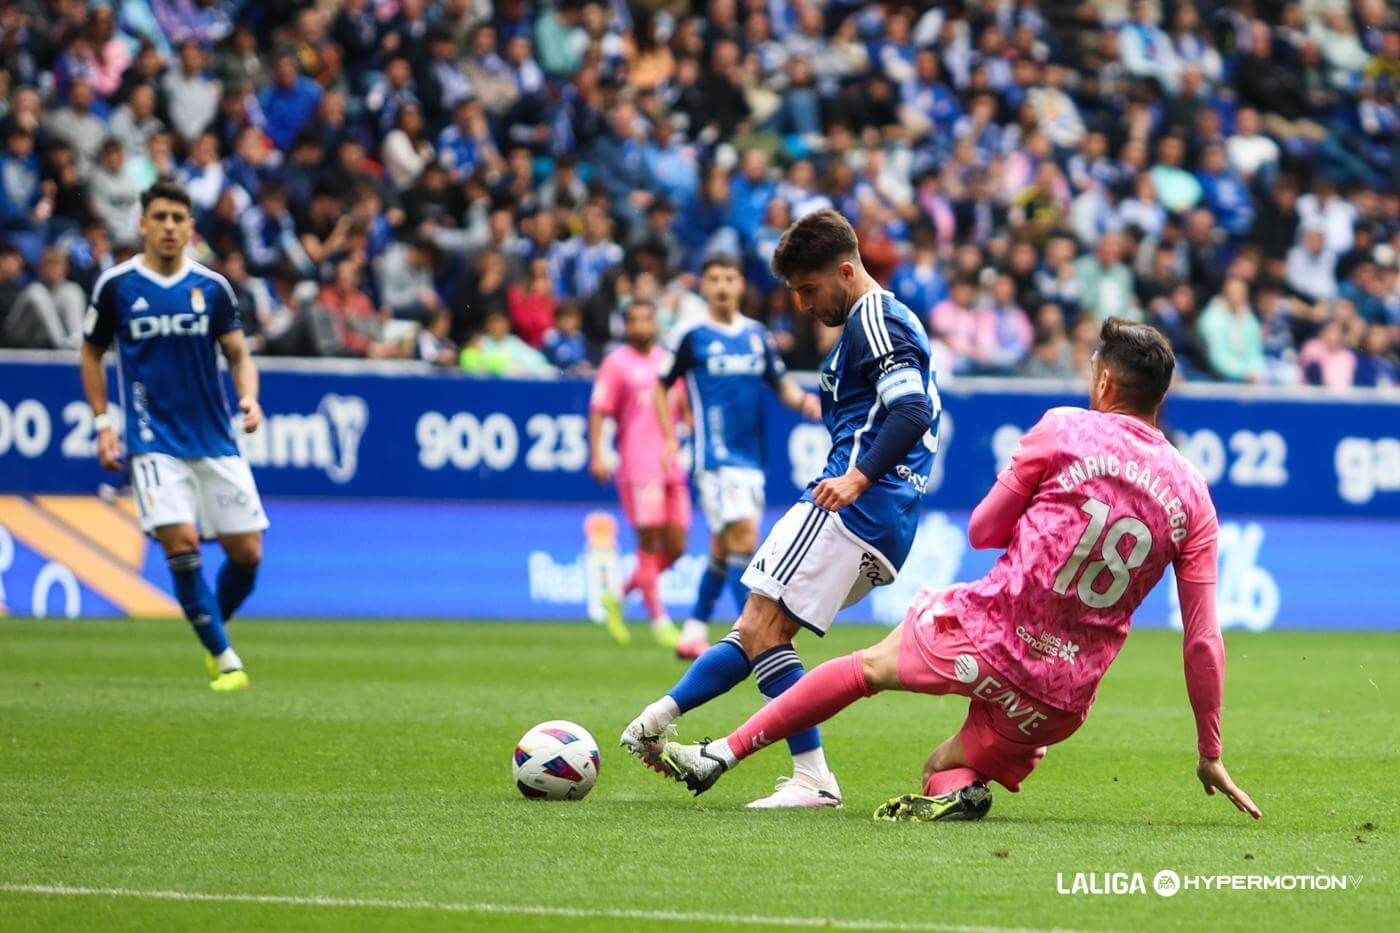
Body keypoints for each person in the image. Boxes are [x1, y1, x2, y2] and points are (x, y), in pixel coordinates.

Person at [655, 319, 1261, 827]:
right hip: (1058, 694)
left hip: (987, 633)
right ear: (1160, 394)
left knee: (865, 668)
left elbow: (982, 532)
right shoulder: (1194, 495)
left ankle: (724, 752)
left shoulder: (1065, 428)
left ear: (1103, 380)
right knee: (942, 766)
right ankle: (959, 784)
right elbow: (1203, 638)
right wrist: (1209, 750)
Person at [623, 211, 938, 809]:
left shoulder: (874, 317)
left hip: (854, 503)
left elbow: (911, 412)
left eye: (810, 288)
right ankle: (657, 722)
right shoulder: (879, 320)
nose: (801, 303)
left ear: (847, 271)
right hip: (884, 516)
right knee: (761, 628)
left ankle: (812, 778)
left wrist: (856, 478)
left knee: (763, 627)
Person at [78, 180, 267, 691]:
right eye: (158, 217)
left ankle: (211, 625)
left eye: (177, 218)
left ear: (190, 227)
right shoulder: (117, 286)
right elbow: (91, 353)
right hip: (151, 439)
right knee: (181, 542)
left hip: (213, 438)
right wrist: (102, 423)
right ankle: (224, 658)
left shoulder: (212, 288)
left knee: (248, 555)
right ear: (142, 224)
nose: (168, 226)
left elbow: (238, 354)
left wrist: (248, 397)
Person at [588, 301, 692, 648]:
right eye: (634, 320)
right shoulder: (616, 363)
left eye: (647, 318)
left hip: (671, 463)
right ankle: (660, 619)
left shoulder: (667, 361)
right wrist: (598, 453)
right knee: (648, 543)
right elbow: (599, 410)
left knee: (677, 546)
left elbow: (681, 405)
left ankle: (617, 595)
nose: (641, 325)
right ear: (626, 325)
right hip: (638, 464)